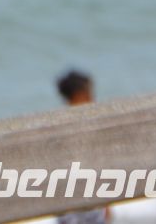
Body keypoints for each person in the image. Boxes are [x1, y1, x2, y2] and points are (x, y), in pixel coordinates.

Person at [55, 70, 109, 223]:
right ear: (79, 95)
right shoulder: (86, 126)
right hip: (86, 199)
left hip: (69, 200)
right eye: (89, 94)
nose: (93, 99)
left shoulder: (58, 125)